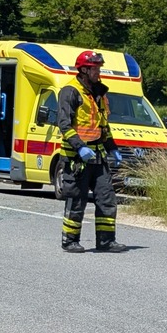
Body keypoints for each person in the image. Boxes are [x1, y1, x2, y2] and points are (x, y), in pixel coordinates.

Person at [55, 49, 128, 252]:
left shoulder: (99, 93)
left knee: (106, 198)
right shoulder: (70, 91)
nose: (98, 72)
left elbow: (103, 125)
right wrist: (80, 147)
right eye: (95, 68)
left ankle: (106, 241)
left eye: (99, 68)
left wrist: (112, 148)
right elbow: (64, 124)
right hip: (76, 158)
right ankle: (69, 241)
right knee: (76, 199)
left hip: (98, 156)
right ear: (84, 70)